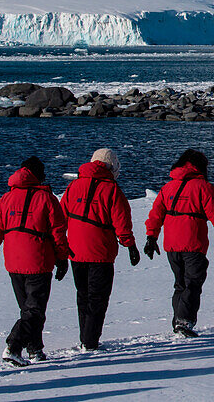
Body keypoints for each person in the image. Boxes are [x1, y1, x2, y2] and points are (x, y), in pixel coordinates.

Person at [0, 157, 69, 367]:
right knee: (35, 310)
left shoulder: (6, 199)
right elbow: (58, 233)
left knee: (28, 309)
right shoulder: (47, 199)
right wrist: (62, 258)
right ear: (38, 175)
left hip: (13, 262)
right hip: (38, 261)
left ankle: (35, 349)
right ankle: (14, 346)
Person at [144, 149, 214, 337]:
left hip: (171, 244)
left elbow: (155, 215)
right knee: (192, 283)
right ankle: (184, 322)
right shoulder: (203, 187)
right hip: (193, 243)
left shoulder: (168, 187)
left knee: (180, 284)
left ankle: (179, 321)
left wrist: (151, 238)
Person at [60, 148, 140, 351]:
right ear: (112, 167)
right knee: (98, 298)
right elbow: (122, 222)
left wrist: (59, 246)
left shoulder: (73, 186)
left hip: (75, 251)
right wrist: (130, 245)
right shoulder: (112, 190)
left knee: (82, 295)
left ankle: (84, 336)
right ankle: (90, 341)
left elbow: (61, 218)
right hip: (101, 253)